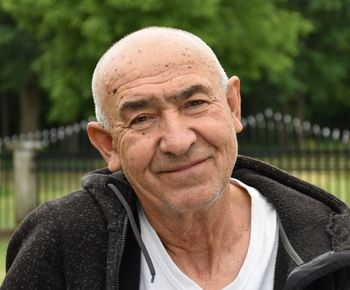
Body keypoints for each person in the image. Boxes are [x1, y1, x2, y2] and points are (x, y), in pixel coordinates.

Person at [1, 27, 350, 290]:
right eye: (142, 118)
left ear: (232, 106)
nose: (178, 141)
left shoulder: (332, 242)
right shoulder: (61, 243)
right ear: (108, 145)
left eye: (195, 103)